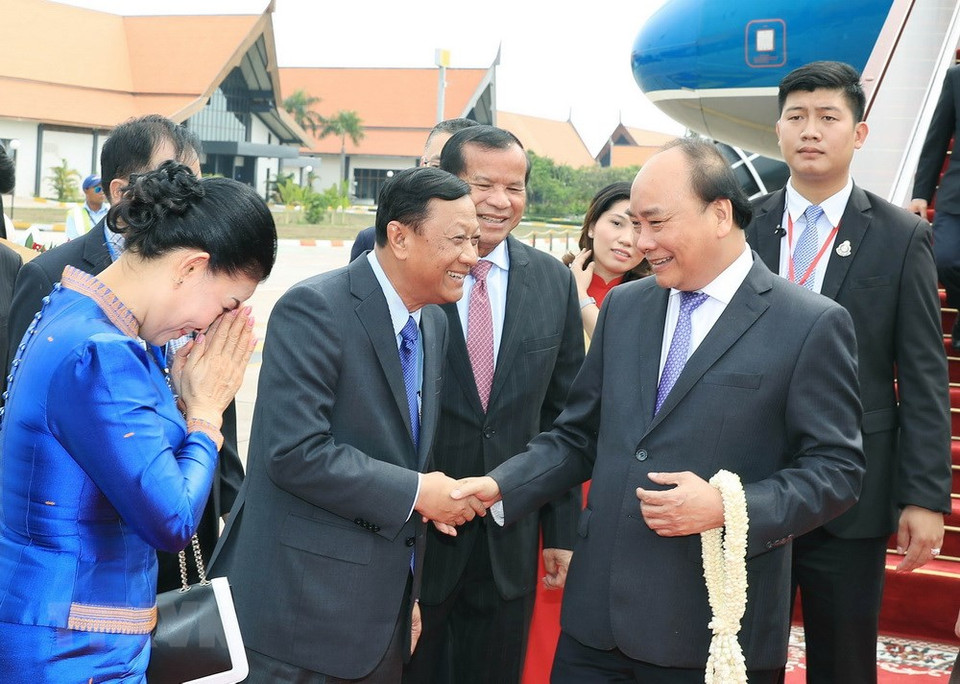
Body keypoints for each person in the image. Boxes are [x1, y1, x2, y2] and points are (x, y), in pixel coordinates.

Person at [452, 137, 866, 682]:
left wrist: (727, 506)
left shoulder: (808, 324)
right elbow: (578, 437)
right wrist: (500, 486)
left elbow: (837, 472)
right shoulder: (626, 307)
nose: (641, 242)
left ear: (719, 214)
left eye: (655, 223)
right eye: (634, 224)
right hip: (594, 627)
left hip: (709, 631)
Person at [208, 166, 488, 682]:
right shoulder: (315, 308)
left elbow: (407, 452)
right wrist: (419, 493)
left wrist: (410, 595)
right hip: (296, 618)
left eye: (475, 240)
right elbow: (294, 453)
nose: (472, 257)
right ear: (400, 237)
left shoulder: (433, 323)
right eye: (458, 240)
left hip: (381, 619)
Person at [0, 160, 277, 681]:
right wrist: (206, 415)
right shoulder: (105, 353)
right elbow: (170, 518)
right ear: (191, 267)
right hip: (74, 647)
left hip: (56, 622)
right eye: (226, 304)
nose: (212, 327)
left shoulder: (75, 310)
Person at [745, 61, 953, 684]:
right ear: (778, 130)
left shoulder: (900, 236)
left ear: (858, 134)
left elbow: (922, 375)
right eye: (797, 117)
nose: (811, 131)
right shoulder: (738, 224)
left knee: (843, 660)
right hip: (744, 480)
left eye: (828, 118)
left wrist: (924, 496)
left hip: (851, 491)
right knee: (740, 652)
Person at [6, 113, 246, 593]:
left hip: (184, 509)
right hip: (93, 556)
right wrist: (199, 417)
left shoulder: (204, 280)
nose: (193, 207)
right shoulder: (57, 279)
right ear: (121, 193)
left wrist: (225, 499)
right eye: (176, 188)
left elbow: (217, 394)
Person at [404, 125, 584, 684]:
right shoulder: (412, 274)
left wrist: (559, 530)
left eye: (516, 187)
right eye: (483, 185)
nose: (501, 201)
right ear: (447, 185)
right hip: (420, 532)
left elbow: (564, 416)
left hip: (511, 531)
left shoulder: (552, 281)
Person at [350, 118, 480, 262]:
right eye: (437, 166)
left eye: (459, 169)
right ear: (422, 165)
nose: (447, 178)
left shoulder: (498, 247)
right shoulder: (377, 241)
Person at [910, 64, 960, 347]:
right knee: (945, 259)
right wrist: (921, 194)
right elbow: (937, 138)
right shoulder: (956, 77)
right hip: (956, 195)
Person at [564, 181, 649, 338]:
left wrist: (580, 295)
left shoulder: (654, 297)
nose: (627, 240)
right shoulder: (554, 281)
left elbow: (616, 350)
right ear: (591, 227)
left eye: (638, 228)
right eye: (617, 223)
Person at [65, 174, 109, 240]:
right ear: (86, 191)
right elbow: (72, 240)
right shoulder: (74, 214)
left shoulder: (112, 211)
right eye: (98, 189)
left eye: (104, 189)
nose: (102, 192)